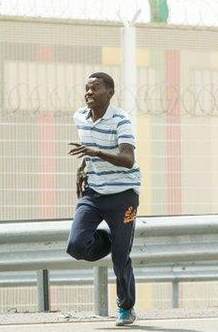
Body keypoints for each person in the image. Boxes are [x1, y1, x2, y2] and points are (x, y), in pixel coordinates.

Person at [66, 72, 141, 326]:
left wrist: (94, 152)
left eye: (95, 88)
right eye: (86, 88)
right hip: (94, 193)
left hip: (123, 196)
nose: (88, 92)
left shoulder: (121, 120)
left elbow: (127, 159)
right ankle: (112, 239)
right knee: (76, 245)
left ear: (109, 93)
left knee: (121, 259)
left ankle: (126, 308)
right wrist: (84, 167)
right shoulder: (80, 117)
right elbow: (87, 151)